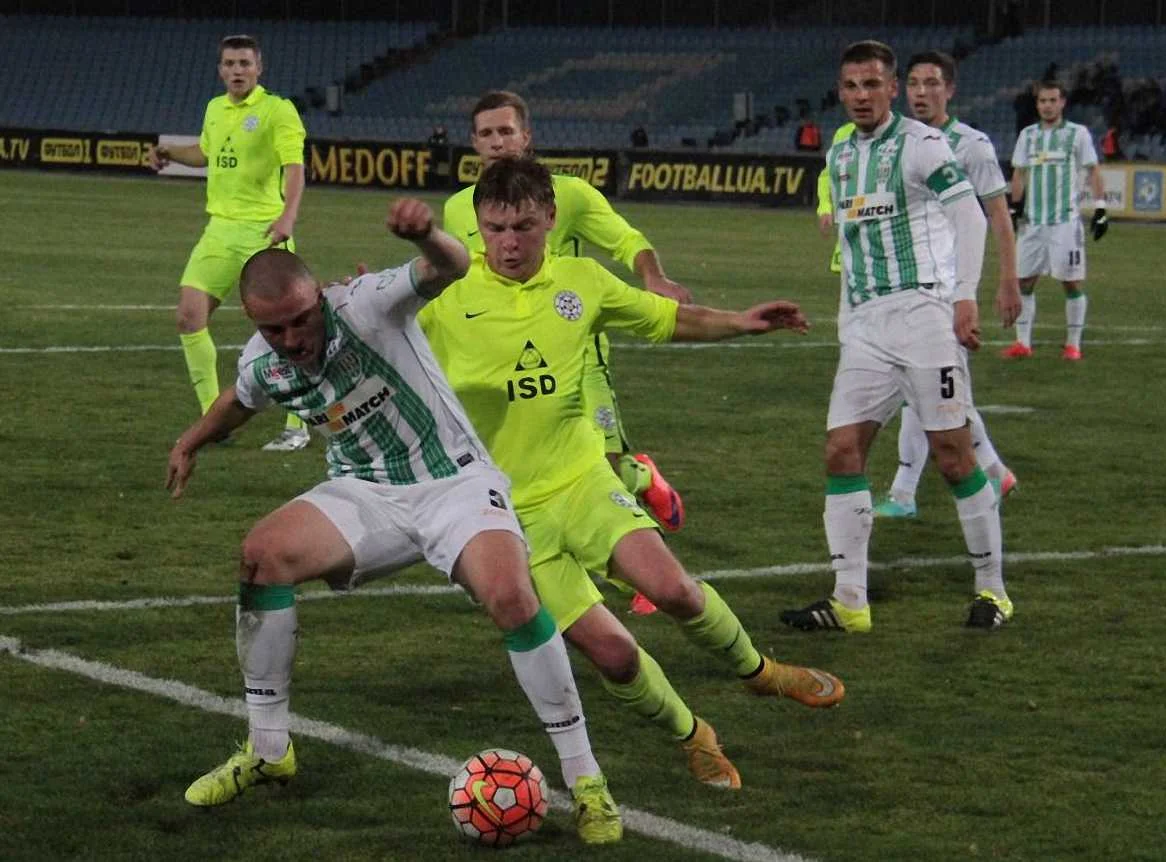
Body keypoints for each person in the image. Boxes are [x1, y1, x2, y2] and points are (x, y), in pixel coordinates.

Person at [165, 201, 623, 845]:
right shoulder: (264, 361)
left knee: (512, 597)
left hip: (454, 483)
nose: (292, 338)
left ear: (318, 296)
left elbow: (450, 266)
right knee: (262, 554)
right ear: (253, 322)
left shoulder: (366, 305)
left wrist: (427, 234)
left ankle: (586, 781)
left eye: (300, 319)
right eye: (274, 329)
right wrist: (190, 441)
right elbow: (239, 401)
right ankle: (268, 751)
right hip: (366, 492)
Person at [419, 157, 846, 790]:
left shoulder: (582, 281)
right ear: (479, 225)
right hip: (504, 514)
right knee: (614, 654)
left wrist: (742, 321)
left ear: (551, 219)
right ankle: (693, 735)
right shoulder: (445, 297)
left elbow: (667, 318)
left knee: (673, 590)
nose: (509, 243)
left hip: (580, 480)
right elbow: (369, 339)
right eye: (496, 229)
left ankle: (761, 672)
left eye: (524, 227)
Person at [779, 40, 1010, 633]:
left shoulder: (922, 144)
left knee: (954, 457)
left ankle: (993, 590)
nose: (861, 96)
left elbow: (969, 215)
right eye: (851, 86)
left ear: (891, 88)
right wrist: (847, 322)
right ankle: (850, 601)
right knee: (842, 450)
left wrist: (964, 296)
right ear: (841, 91)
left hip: (924, 315)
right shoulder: (840, 155)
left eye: (872, 85)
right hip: (866, 325)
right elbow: (852, 247)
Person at [443, 90, 693, 616]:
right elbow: (457, 278)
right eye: (487, 133)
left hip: (577, 359)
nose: (497, 142)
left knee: (596, 465)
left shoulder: (570, 195)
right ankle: (641, 482)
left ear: (527, 136)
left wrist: (653, 277)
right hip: (503, 361)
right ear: (473, 142)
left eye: (506, 131)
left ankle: (638, 567)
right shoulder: (458, 207)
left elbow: (627, 240)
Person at [873, 51, 1024, 519]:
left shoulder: (971, 145)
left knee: (928, 387)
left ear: (950, 90)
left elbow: (998, 216)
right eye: (914, 84)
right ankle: (992, 470)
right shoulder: (897, 143)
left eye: (932, 84)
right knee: (930, 387)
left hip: (948, 289)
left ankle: (905, 492)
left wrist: (1008, 281)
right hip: (907, 283)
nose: (921, 93)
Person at [150, 34, 310, 452]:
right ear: (220, 70)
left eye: (244, 63)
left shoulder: (277, 110)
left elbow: (294, 167)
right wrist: (170, 153)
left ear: (259, 68)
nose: (237, 70)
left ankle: (298, 424)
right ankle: (214, 420)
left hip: (263, 231)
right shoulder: (214, 109)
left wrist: (287, 216)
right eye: (230, 63)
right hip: (219, 231)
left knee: (287, 328)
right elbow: (206, 153)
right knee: (189, 316)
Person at [1003, 80, 1106, 361]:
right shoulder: (1028, 135)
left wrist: (1100, 208)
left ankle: (1073, 345)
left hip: (1065, 223)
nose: (1047, 106)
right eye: (1042, 101)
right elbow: (1019, 174)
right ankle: (1022, 343)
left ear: (1062, 103)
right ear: (1037, 104)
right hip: (1032, 223)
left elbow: (1093, 170)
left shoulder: (1077, 134)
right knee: (1024, 282)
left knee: (1071, 283)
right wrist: (1014, 208)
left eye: (1052, 100)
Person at [815, 121, 856, 273]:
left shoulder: (899, 133)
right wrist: (825, 208)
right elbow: (828, 175)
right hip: (849, 222)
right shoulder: (844, 133)